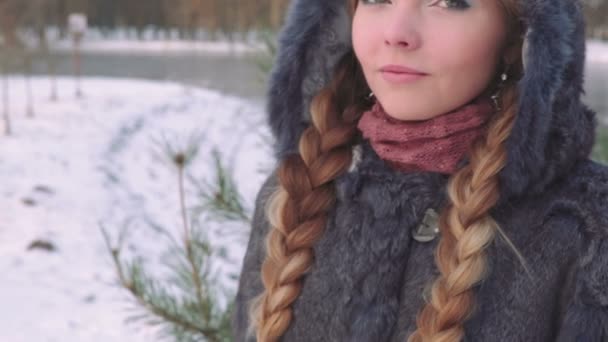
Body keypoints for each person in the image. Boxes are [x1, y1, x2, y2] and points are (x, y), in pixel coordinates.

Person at [232, 0, 608, 341]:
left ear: (518, 32)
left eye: (448, 3)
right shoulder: (294, 197)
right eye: (377, 0)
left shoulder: (587, 227)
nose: (397, 34)